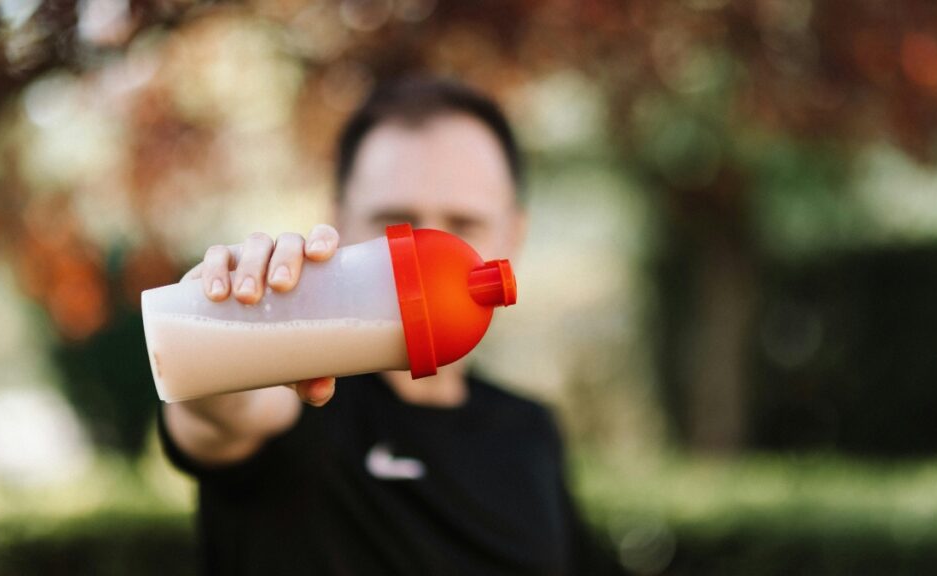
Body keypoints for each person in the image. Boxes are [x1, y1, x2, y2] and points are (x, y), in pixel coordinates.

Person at [158, 77, 625, 575]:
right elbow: (225, 412)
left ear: (513, 236)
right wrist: (220, 322)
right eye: (397, 221)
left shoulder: (527, 431)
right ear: (336, 223)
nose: (429, 256)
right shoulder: (295, 396)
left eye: (463, 224)